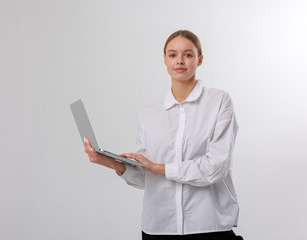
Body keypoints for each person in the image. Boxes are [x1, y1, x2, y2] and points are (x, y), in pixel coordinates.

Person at [84, 30, 243, 240]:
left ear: (199, 59)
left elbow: (215, 167)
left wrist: (159, 168)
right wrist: (112, 163)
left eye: (187, 54)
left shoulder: (219, 102)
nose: (180, 61)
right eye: (172, 55)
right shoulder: (149, 113)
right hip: (159, 228)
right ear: (165, 60)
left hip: (208, 225)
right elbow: (147, 177)